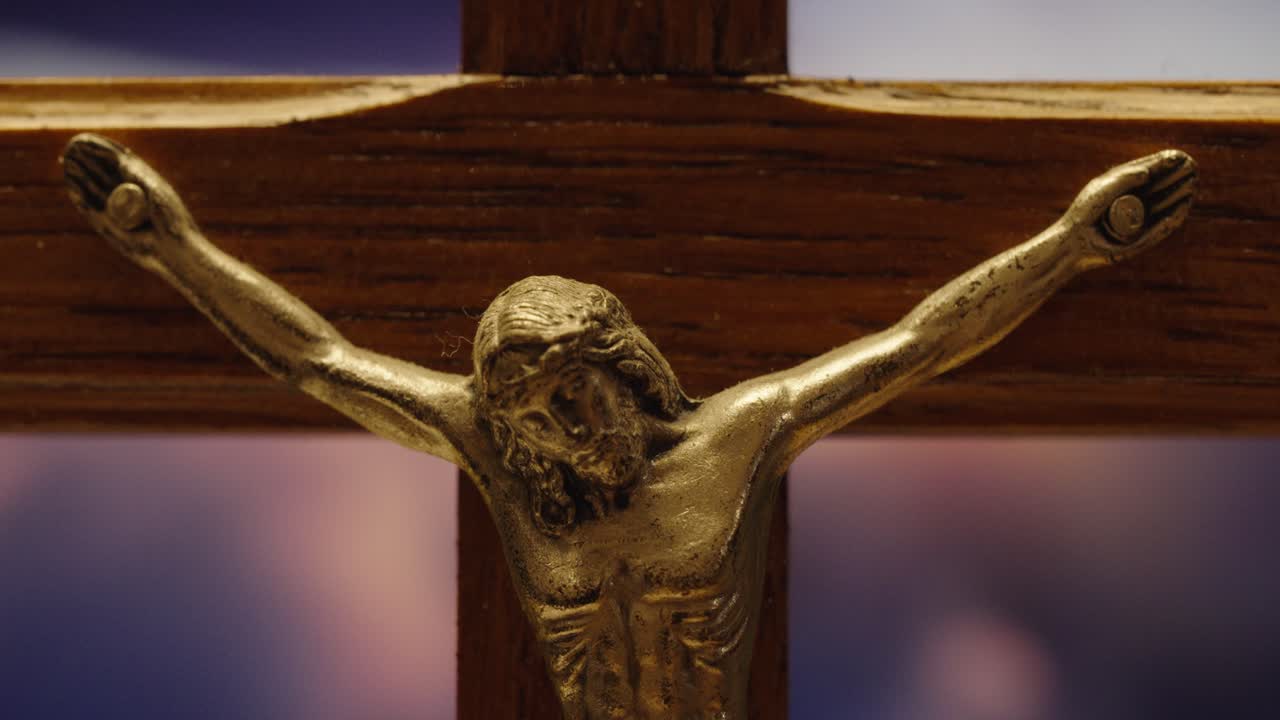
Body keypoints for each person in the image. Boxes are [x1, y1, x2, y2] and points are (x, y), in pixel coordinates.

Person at [63, 133, 1196, 719]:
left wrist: (1070, 244)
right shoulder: (499, 458)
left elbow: (913, 346)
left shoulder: (736, 438)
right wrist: (167, 244)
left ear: (627, 368)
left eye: (572, 397)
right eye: (534, 424)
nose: (558, 435)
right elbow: (317, 360)